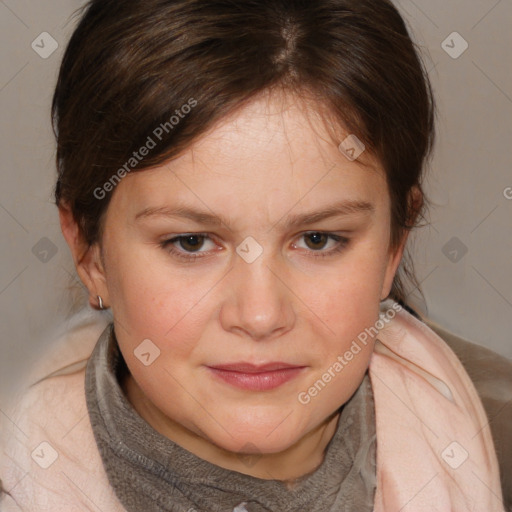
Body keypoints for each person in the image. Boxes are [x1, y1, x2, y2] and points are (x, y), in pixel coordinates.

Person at [1, 0, 511, 510]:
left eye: (318, 239)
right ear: (90, 252)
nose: (261, 315)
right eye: (191, 242)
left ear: (393, 246)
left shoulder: (496, 433)